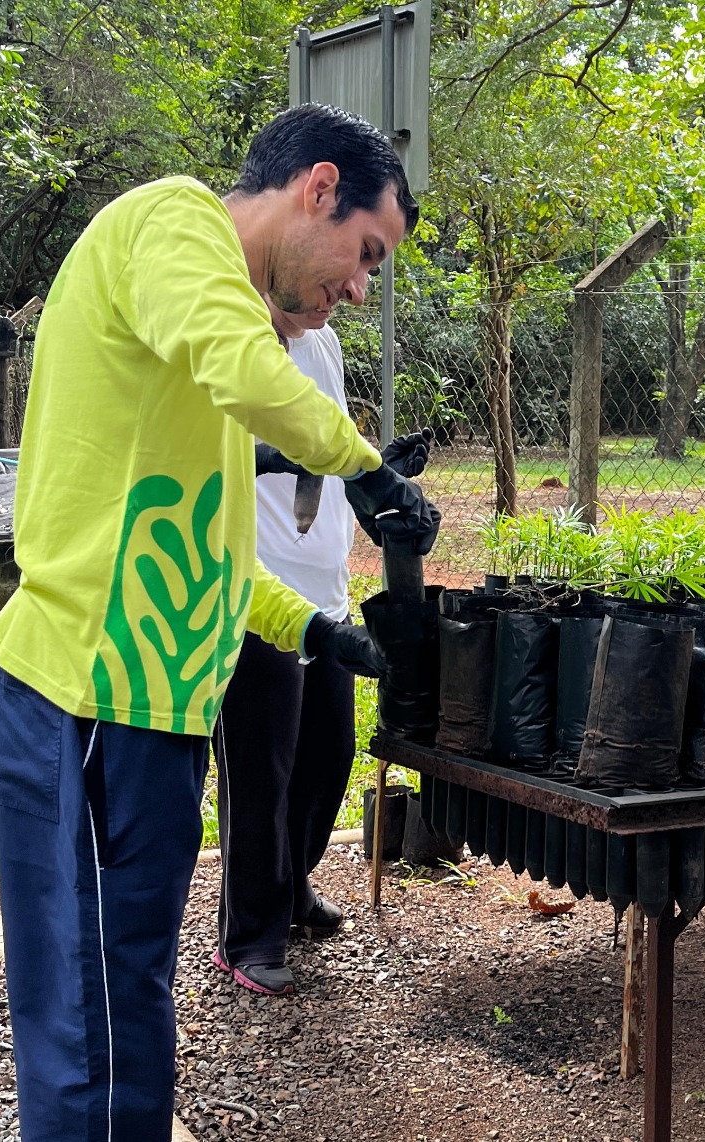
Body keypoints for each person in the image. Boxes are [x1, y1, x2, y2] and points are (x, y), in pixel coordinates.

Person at [0, 104, 438, 1141]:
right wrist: (359, 465)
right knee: (88, 1016)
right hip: (83, 692)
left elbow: (212, 556)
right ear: (317, 187)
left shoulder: (214, 350)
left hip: (154, 706)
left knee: (130, 989)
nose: (361, 286)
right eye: (366, 252)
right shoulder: (171, 226)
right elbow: (242, 367)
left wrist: (318, 635)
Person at [212, 293, 432, 997]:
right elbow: (204, 454)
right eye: (355, 259)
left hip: (324, 587)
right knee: (260, 774)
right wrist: (270, 458)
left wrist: (378, 467)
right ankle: (247, 933)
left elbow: (329, 447)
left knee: (325, 759)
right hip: (256, 591)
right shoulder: (235, 339)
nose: (354, 287)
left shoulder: (324, 343)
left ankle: (292, 886)